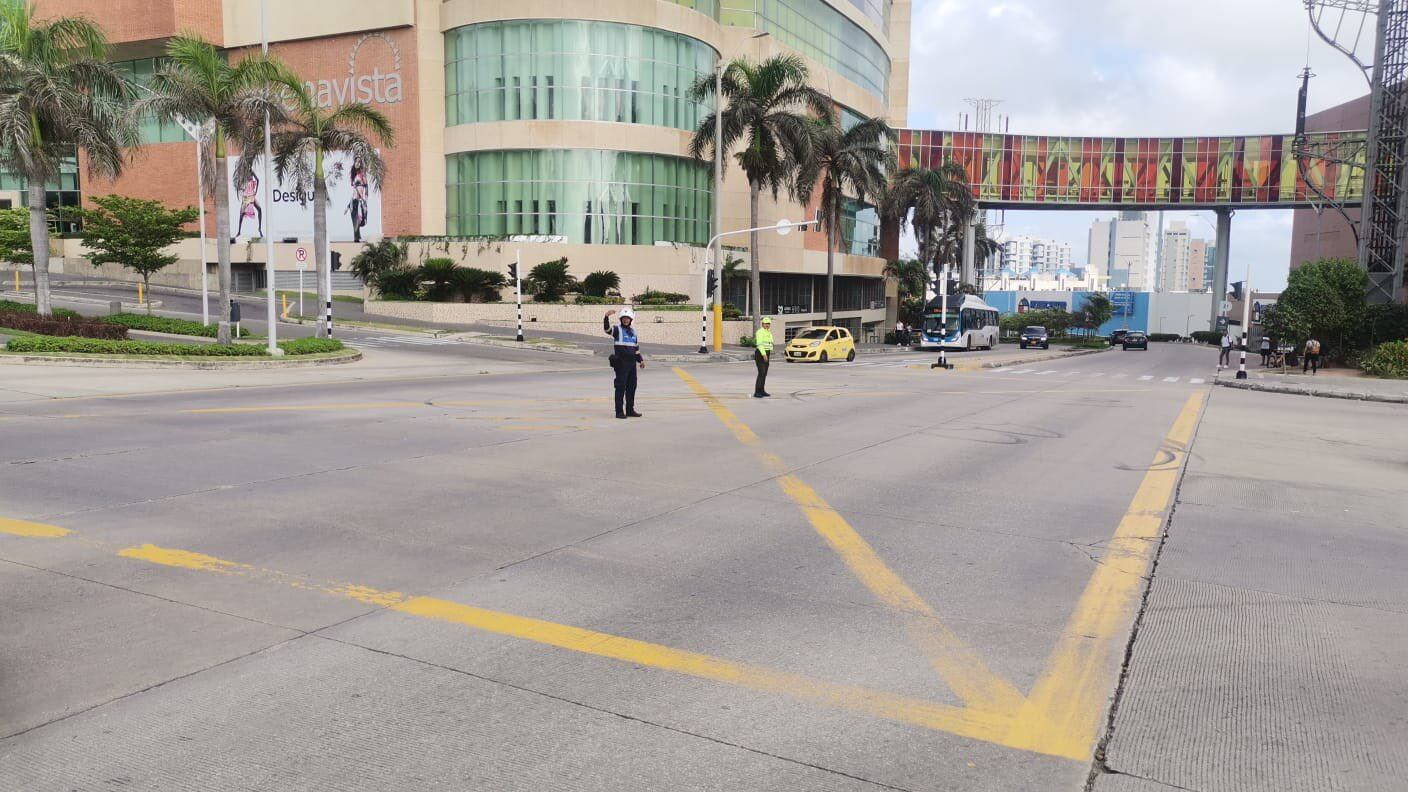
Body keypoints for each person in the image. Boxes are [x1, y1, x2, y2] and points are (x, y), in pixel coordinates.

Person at [604, 308, 644, 418]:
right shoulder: (617, 330)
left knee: (632, 387)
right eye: (624, 318)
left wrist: (640, 360)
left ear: (631, 320)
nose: (626, 320)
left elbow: (636, 348)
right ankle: (619, 412)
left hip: (632, 364)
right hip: (621, 363)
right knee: (620, 387)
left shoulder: (633, 332)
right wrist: (606, 317)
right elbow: (607, 329)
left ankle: (630, 410)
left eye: (628, 318)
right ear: (621, 319)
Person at [753, 316, 774, 398]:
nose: (767, 325)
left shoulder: (768, 332)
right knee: (761, 373)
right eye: (765, 323)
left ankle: (762, 390)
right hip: (761, 354)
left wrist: (768, 353)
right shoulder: (760, 332)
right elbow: (760, 344)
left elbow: (770, 343)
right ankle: (757, 392)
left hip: (767, 353)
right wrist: (764, 354)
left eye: (768, 323)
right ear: (762, 324)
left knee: (764, 373)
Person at [236, 173, 261, 238]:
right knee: (241, 213)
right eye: (250, 176)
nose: (251, 177)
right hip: (246, 197)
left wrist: (256, 191)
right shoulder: (245, 180)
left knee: (259, 209)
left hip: (252, 196)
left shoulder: (252, 181)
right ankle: (239, 231)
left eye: (251, 176)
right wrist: (242, 189)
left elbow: (258, 180)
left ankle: (259, 228)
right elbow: (240, 187)